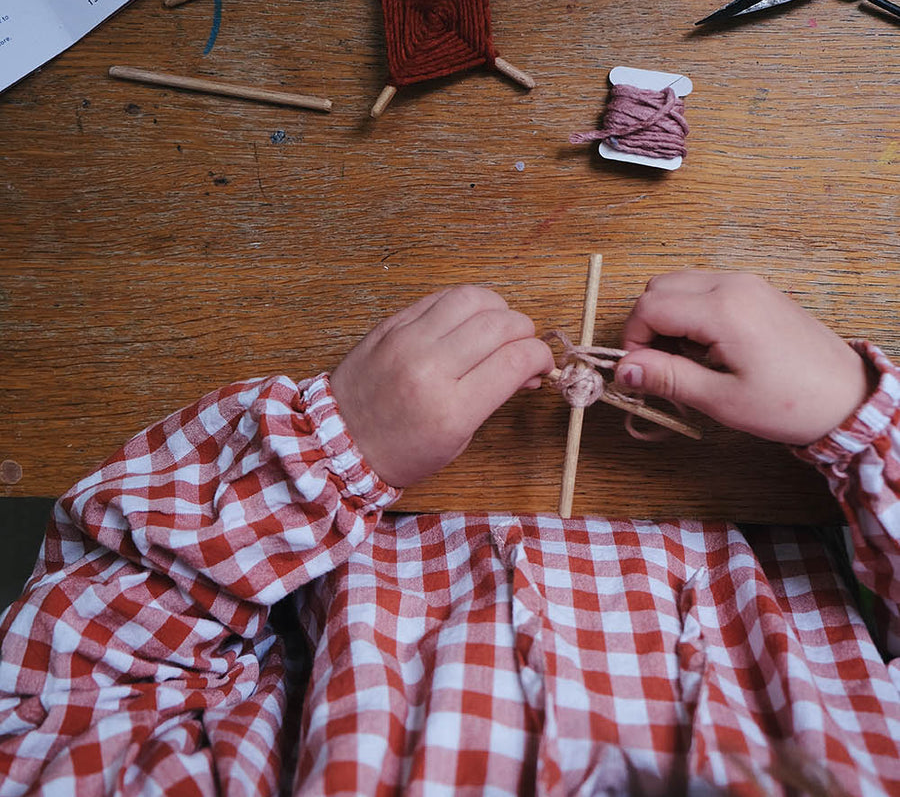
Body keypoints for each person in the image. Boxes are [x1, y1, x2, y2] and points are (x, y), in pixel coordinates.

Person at [0, 271, 898, 796]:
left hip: (369, 461)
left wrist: (322, 455)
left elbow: (64, 706)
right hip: (767, 455)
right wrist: (858, 419)